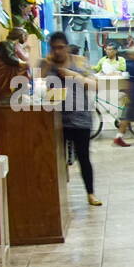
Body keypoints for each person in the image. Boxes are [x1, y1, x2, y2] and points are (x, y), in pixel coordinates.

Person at [44, 31, 101, 206]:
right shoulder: (47, 65)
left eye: (61, 47)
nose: (58, 52)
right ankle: (58, 194)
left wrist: (72, 75)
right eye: (54, 48)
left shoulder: (79, 62)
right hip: (57, 120)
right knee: (56, 158)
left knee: (83, 157)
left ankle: (90, 193)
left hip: (80, 118)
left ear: (67, 47)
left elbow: (95, 86)